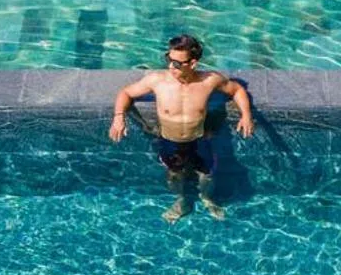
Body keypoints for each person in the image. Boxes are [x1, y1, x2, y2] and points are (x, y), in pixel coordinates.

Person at [108, 33, 255, 221]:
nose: (171, 66)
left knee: (207, 175)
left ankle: (207, 198)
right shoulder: (157, 80)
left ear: (192, 63)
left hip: (200, 139)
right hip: (170, 141)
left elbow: (237, 90)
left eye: (177, 63)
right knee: (174, 176)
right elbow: (126, 92)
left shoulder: (209, 80)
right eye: (169, 59)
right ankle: (182, 201)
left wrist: (246, 115)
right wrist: (119, 117)